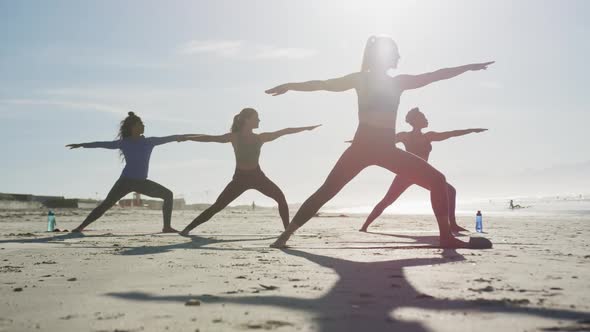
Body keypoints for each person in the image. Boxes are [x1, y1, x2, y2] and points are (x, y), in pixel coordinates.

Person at [265, 35, 494, 248]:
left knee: (438, 180)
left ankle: (446, 237)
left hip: (382, 148)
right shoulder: (363, 80)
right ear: (382, 56)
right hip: (364, 147)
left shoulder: (396, 82)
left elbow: (436, 75)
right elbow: (323, 84)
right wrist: (290, 86)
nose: (398, 57)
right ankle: (284, 237)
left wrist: (468, 67)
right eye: (395, 52)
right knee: (327, 191)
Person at [179, 108, 320, 236]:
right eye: (256, 117)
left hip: (258, 177)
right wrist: (188, 137)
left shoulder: (260, 137)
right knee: (217, 206)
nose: (259, 120)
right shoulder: (234, 137)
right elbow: (210, 138)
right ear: (247, 119)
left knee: (281, 199)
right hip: (240, 179)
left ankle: (287, 231)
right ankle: (187, 229)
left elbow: (285, 131)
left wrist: (306, 128)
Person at [359, 107, 487, 232]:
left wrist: (471, 130)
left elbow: (450, 134)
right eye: (423, 117)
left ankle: (452, 225)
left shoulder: (427, 136)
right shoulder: (405, 136)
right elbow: (382, 141)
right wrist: (357, 143)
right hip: (407, 173)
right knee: (388, 200)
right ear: (416, 121)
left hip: (421, 174)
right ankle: (365, 226)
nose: (426, 119)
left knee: (450, 191)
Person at [66, 112, 189, 233]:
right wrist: (82, 145)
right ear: (132, 127)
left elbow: (167, 139)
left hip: (141, 182)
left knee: (168, 194)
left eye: (143, 124)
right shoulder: (124, 143)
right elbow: (102, 144)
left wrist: (180, 137)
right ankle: (80, 227)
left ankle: (166, 227)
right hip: (125, 182)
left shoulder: (149, 141)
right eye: (140, 124)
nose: (143, 126)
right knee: (106, 205)